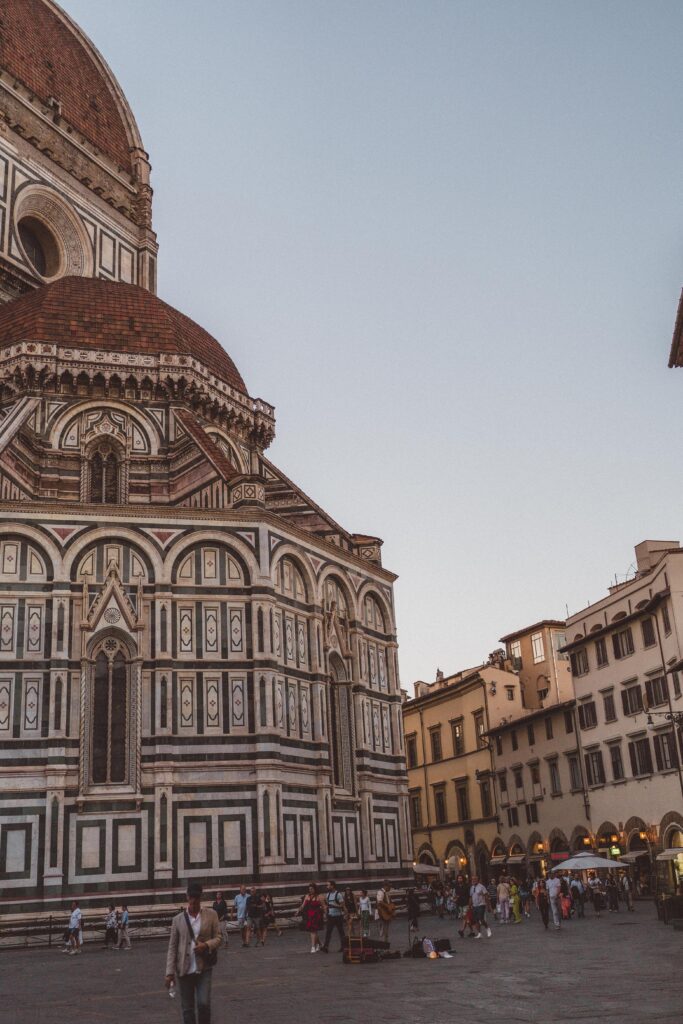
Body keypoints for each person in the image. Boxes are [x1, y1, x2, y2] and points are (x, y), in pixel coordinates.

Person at [165, 881, 221, 1024]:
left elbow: (219, 938)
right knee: (187, 1008)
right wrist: (169, 973)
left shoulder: (211, 915)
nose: (194, 900)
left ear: (200, 897)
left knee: (203, 1003)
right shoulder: (177, 920)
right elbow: (172, 947)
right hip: (184, 969)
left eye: (196, 897)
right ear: (187, 896)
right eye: (192, 897)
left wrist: (206, 945)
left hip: (204, 968)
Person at [320, 880, 346, 953]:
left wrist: (335, 905)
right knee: (328, 932)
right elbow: (327, 905)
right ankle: (326, 947)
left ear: (332, 886)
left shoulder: (338, 894)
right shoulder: (327, 894)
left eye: (328, 885)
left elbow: (342, 906)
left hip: (338, 916)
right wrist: (325, 910)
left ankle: (344, 946)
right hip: (331, 916)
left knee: (341, 932)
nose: (327, 887)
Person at [299, 883, 324, 953]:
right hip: (310, 915)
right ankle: (320, 944)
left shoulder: (319, 896)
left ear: (315, 889)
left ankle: (313, 947)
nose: (310, 890)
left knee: (313, 931)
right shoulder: (307, 896)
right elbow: (302, 906)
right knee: (313, 931)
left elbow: (324, 906)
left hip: (317, 916)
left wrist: (326, 914)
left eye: (312, 889)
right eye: (309, 889)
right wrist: (298, 911)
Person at [469, 874, 492, 939]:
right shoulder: (471, 887)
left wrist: (488, 906)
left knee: (481, 918)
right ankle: (479, 933)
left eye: (475, 879)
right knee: (476, 920)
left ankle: (487, 928)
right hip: (474, 905)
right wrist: (470, 905)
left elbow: (486, 896)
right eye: (472, 879)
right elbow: (471, 897)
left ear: (478, 880)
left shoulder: (481, 887)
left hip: (481, 904)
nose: (473, 880)